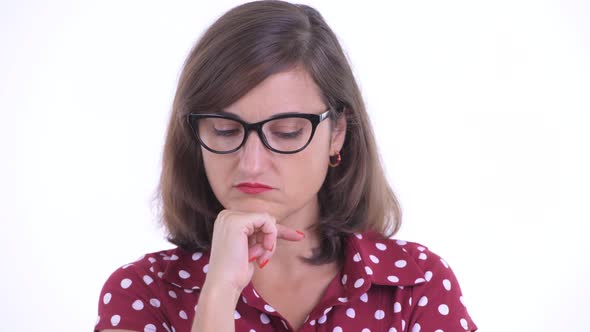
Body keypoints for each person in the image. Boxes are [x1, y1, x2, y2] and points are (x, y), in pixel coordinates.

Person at [94, 1, 477, 331]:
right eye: (226, 131)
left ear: (337, 132)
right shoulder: (143, 291)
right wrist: (218, 294)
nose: (252, 163)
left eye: (288, 132)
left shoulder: (414, 285)